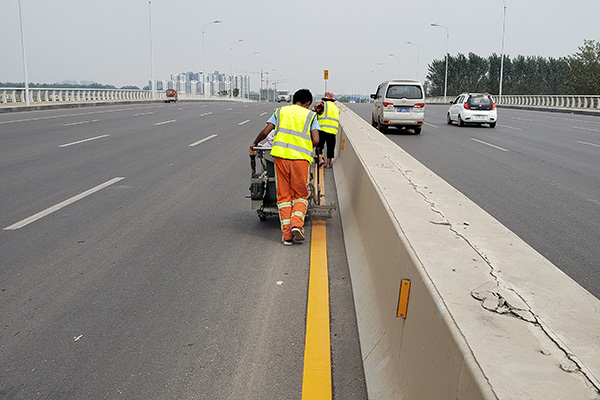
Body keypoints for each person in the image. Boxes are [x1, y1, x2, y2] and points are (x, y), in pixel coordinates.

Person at [250, 89, 320, 245]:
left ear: (293, 100)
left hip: (280, 158)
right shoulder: (310, 116)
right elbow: (316, 139)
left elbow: (265, 131)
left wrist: (255, 143)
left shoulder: (280, 112)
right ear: (308, 103)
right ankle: (296, 224)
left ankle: (287, 236)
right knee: (300, 195)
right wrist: (307, 146)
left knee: (283, 197)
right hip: (300, 160)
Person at [314, 91, 340, 168]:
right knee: (330, 148)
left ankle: (320, 159)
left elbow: (315, 110)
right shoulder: (336, 108)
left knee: (319, 146)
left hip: (322, 129)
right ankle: (328, 164)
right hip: (333, 131)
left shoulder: (322, 104)